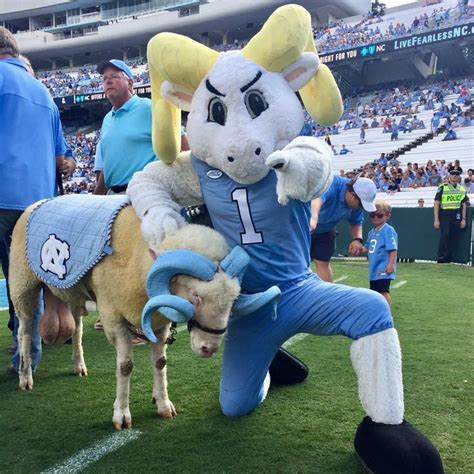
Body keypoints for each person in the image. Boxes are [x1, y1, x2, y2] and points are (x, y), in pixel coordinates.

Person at [0, 27, 66, 373]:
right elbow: (61, 157)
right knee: (25, 281)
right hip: (37, 202)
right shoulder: (44, 92)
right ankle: (26, 355)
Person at [310, 177, 377, 282]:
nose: (361, 208)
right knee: (297, 263)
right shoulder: (331, 183)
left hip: (326, 230)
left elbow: (356, 221)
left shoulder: (357, 205)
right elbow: (317, 199)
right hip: (302, 226)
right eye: (360, 204)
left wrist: (357, 239)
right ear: (352, 195)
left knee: (323, 263)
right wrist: (313, 219)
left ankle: (327, 297)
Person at [360, 200, 398, 306]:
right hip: (374, 268)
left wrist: (390, 265)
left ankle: (386, 314)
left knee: (383, 291)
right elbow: (367, 247)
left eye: (379, 215)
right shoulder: (371, 232)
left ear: (387, 216)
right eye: (372, 215)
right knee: (375, 292)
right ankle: (378, 312)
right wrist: (358, 249)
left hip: (383, 268)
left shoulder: (388, 230)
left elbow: (393, 249)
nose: (375, 217)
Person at [433, 169, 469, 263]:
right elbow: (436, 203)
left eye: (456, 174)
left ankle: (448, 259)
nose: (454, 176)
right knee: (445, 235)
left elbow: (464, 204)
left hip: (456, 214)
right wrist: (436, 219)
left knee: (453, 236)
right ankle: (441, 258)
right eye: (452, 174)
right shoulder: (443, 187)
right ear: (449, 176)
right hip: (445, 214)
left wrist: (463, 219)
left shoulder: (461, 189)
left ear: (459, 177)